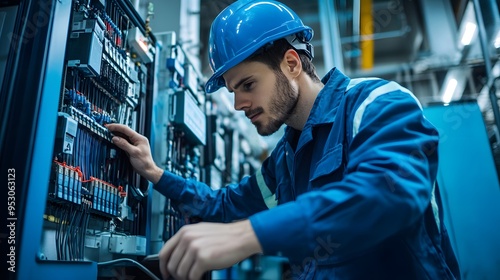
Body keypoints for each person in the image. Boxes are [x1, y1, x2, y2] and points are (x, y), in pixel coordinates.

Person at [106, 0, 461, 279]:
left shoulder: (375, 104)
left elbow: (387, 195)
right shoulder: (286, 158)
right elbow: (226, 204)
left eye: (247, 85)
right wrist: (155, 173)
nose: (238, 104)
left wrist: (248, 236)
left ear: (292, 64)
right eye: (232, 90)